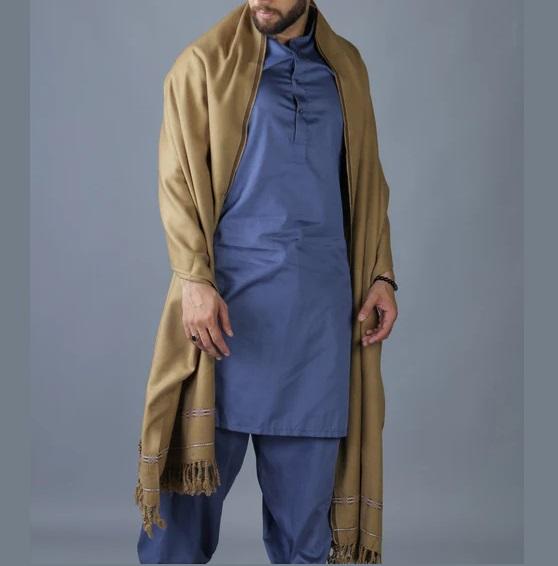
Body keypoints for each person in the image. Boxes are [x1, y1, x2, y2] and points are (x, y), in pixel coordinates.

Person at [136, 0, 398, 563]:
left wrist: (381, 274)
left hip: (317, 327)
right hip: (224, 321)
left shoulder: (346, 68)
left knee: (305, 536)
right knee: (178, 533)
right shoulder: (203, 65)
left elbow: (368, 181)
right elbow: (176, 180)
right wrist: (194, 281)